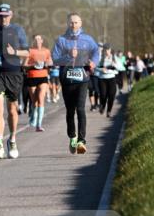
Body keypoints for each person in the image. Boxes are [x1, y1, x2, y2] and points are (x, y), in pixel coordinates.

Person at [0, 2, 29, 160]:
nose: (3, 19)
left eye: (6, 16)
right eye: (0, 16)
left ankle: (12, 140)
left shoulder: (18, 30)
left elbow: (27, 52)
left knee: (12, 110)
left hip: (13, 74)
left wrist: (14, 52)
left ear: (11, 15)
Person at [51, 13, 99, 155]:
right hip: (67, 79)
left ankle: (81, 141)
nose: (73, 25)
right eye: (71, 22)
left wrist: (93, 62)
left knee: (81, 109)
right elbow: (55, 59)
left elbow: (96, 52)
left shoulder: (88, 39)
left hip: (82, 78)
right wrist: (68, 56)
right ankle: (72, 136)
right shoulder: (61, 40)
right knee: (70, 110)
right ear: (67, 23)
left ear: (81, 23)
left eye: (76, 22)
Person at [25, 34, 52, 131]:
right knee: (34, 102)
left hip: (43, 77)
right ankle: (33, 116)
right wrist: (33, 64)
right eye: (35, 39)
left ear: (42, 41)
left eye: (39, 39)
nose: (37, 41)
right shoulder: (30, 51)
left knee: (41, 99)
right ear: (33, 41)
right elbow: (24, 64)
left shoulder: (46, 51)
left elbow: (50, 62)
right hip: (32, 77)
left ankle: (39, 125)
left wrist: (47, 63)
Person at [94, 44, 118, 117]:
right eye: (105, 50)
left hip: (111, 78)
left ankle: (109, 111)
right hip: (102, 79)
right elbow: (95, 67)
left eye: (108, 50)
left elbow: (119, 67)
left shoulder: (114, 57)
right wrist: (101, 69)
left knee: (111, 95)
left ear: (110, 50)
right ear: (103, 50)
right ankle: (102, 107)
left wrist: (114, 65)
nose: (107, 51)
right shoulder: (100, 57)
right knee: (103, 95)